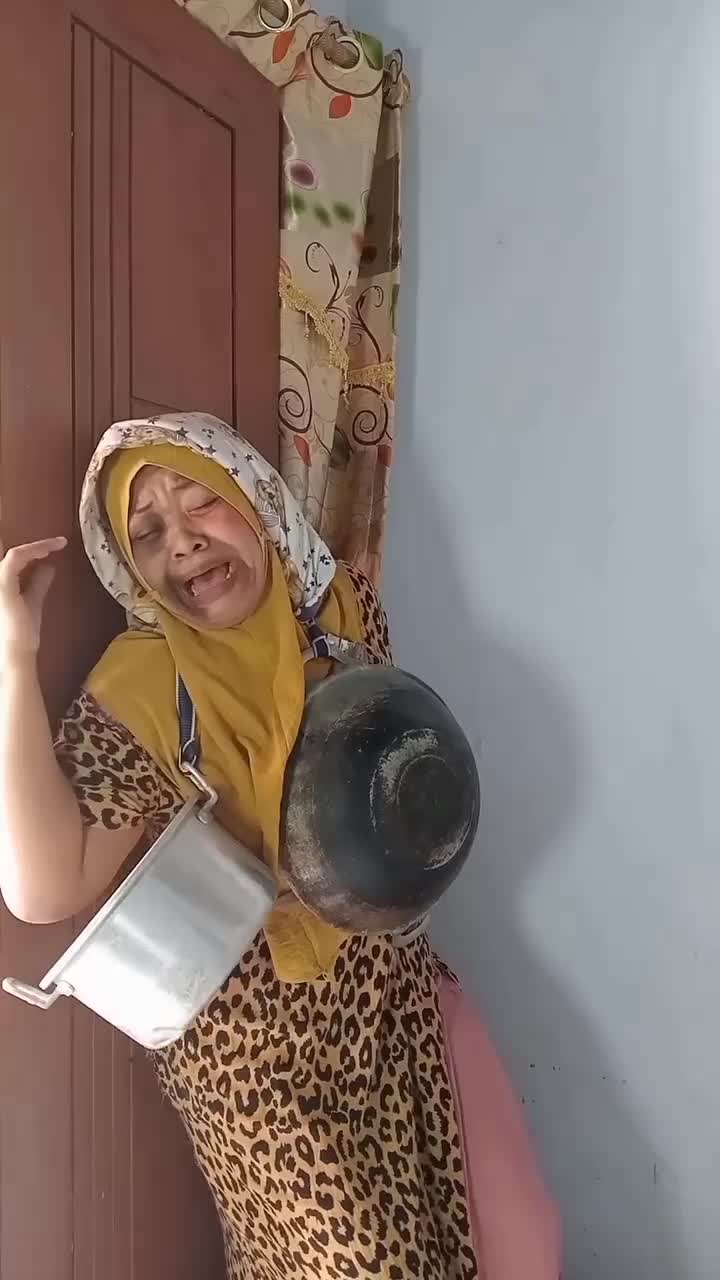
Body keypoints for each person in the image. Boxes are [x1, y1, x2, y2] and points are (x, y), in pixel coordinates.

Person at [0, 412, 561, 1280]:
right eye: (146, 532)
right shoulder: (141, 690)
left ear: (254, 497)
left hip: (385, 999)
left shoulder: (343, 612)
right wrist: (14, 655)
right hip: (260, 1062)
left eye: (199, 501)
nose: (182, 541)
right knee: (367, 1264)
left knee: (500, 1243)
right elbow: (44, 889)